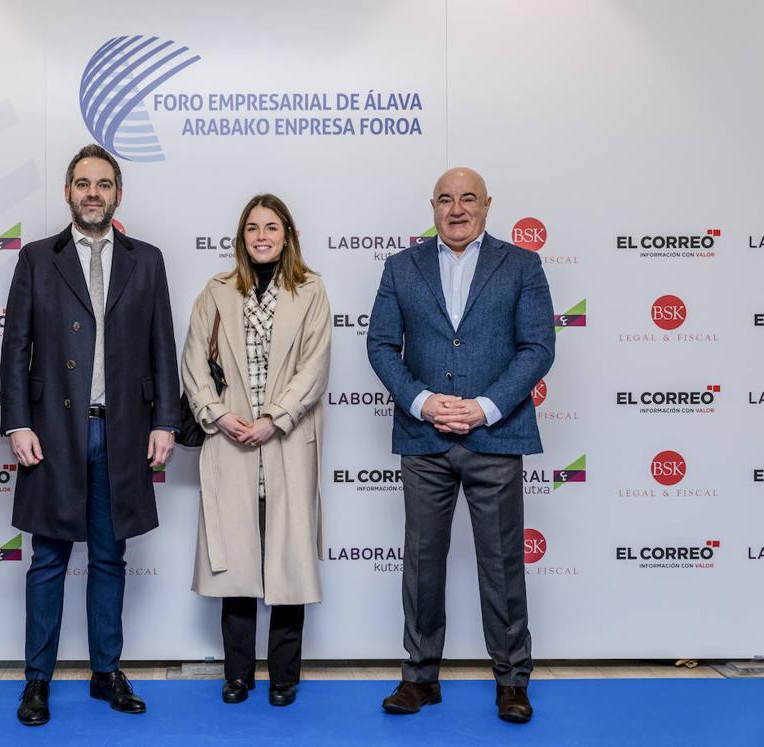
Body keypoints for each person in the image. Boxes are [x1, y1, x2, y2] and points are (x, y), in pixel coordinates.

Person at [0, 144, 179, 726]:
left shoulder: (146, 261)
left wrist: (165, 422)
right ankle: (37, 681)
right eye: (83, 183)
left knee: (109, 557)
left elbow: (162, 348)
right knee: (48, 559)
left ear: (118, 193)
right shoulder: (35, 259)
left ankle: (106, 672)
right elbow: (14, 348)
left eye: (103, 183)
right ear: (68, 192)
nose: (93, 193)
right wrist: (18, 421)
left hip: (123, 434)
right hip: (52, 433)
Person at [367, 167, 555, 723]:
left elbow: (537, 347)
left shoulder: (522, 265)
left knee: (502, 564)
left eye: (467, 198)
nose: (457, 208)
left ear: (487, 205)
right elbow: (380, 344)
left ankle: (513, 682)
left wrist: (485, 406)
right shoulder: (401, 267)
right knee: (423, 563)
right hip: (424, 439)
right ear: (432, 206)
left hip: (496, 435)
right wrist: (422, 401)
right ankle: (420, 679)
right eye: (446, 199)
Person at [182, 194, 331, 707]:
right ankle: (238, 673)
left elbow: (314, 366)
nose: (261, 236)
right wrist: (219, 416)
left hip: (288, 442)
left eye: (271, 227)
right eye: (252, 228)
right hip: (230, 441)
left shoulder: (311, 291)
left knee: (289, 561)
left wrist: (275, 419)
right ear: (241, 237)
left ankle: (285, 675)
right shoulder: (217, 291)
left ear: (287, 233)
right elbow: (193, 363)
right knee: (238, 562)